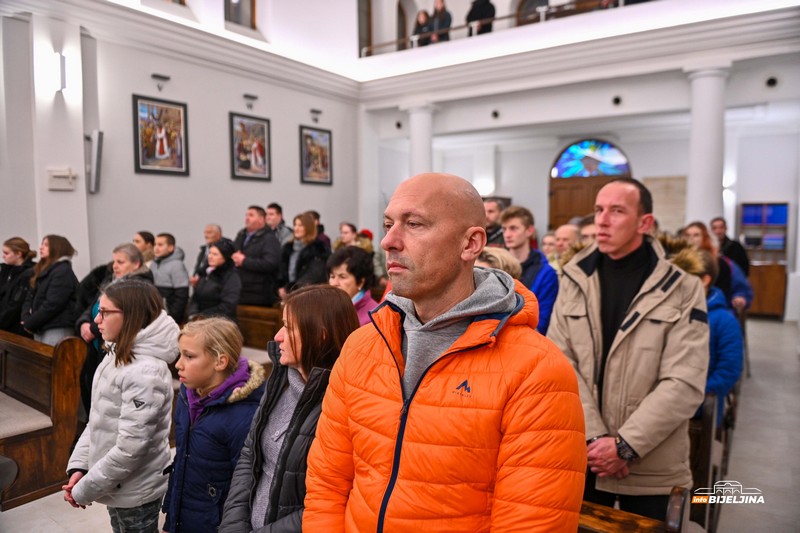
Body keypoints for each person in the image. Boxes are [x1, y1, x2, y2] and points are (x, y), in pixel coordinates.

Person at [303, 173, 586, 531]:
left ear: (470, 243)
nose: (389, 241)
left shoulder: (536, 371)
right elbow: (327, 485)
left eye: (414, 224)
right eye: (388, 224)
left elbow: (532, 523)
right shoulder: (362, 346)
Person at [548, 178, 709, 521]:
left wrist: (624, 446)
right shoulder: (574, 278)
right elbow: (560, 363)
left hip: (652, 466)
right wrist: (596, 440)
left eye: (617, 211)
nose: (602, 221)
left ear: (644, 223)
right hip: (583, 457)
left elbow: (684, 381)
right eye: (599, 210)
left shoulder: (683, 288)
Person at [219, 285, 360, 533]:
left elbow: (335, 501)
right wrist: (233, 525)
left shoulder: (346, 404)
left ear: (320, 335)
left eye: (289, 328)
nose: (277, 336)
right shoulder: (282, 381)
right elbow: (250, 457)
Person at [64, 279, 179, 532]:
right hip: (113, 481)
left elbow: (130, 449)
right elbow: (98, 419)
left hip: (136, 488)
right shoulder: (116, 353)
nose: (96, 320)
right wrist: (81, 466)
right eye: (97, 311)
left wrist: (85, 488)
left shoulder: (145, 373)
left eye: (104, 312)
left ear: (131, 316)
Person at [162, 317, 266, 533]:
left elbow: (247, 487)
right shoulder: (187, 396)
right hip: (183, 516)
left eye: (189, 356)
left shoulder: (244, 415)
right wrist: (170, 518)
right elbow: (181, 461)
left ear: (220, 362)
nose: (178, 364)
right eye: (180, 354)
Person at [75, 243, 154, 431]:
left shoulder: (139, 286)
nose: (115, 266)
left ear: (135, 264)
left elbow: (127, 316)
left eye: (121, 262)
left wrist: (93, 328)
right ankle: (92, 426)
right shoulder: (111, 281)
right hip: (97, 343)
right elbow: (92, 306)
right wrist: (84, 322)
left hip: (117, 346)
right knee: (92, 385)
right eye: (114, 261)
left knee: (112, 395)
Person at [694, 249, 743, 426]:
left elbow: (729, 369)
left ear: (704, 280)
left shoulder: (724, 320)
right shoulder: (674, 311)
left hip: (701, 406)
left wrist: (695, 394)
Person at [500, 205, 558, 333]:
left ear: (529, 231)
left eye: (513, 228)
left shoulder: (546, 272)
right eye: (504, 229)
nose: (507, 234)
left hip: (526, 338)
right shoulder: (496, 265)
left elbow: (542, 321)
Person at [21, 235, 79, 345]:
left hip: (57, 327)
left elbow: (53, 304)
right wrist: (25, 318)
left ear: (57, 248)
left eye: (46, 245)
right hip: (41, 326)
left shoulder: (62, 271)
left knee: (55, 361)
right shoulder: (44, 270)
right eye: (42, 244)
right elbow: (29, 297)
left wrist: (30, 323)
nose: (41, 247)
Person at [232, 206, 282, 307]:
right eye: (246, 215)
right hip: (240, 290)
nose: (247, 218)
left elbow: (270, 263)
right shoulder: (241, 235)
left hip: (258, 294)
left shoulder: (269, 239)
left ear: (261, 219)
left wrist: (244, 261)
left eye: (251, 215)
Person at [278, 212, 329, 299]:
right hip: (288, 295)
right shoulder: (288, 248)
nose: (296, 228)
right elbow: (281, 273)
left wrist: (290, 289)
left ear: (309, 228)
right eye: (295, 225)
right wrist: (281, 288)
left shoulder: (317, 249)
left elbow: (313, 275)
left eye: (300, 225)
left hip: (309, 296)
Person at [188, 239, 242, 321]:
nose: (210, 256)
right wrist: (193, 313)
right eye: (210, 253)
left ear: (225, 257)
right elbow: (195, 297)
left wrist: (202, 316)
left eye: (215, 254)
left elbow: (227, 305)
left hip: (220, 322)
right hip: (200, 320)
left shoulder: (232, 277)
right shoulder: (206, 272)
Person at [327, 246, 378, 326]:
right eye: (332, 276)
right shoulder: (327, 307)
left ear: (360, 282)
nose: (334, 283)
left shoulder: (372, 317)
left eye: (342, 277)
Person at [0, 237, 36, 337]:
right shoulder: (7, 271)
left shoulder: (29, 273)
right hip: (6, 327)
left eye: (6, 253)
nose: (3, 256)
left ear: (18, 254)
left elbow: (16, 304)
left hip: (18, 328)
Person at [151, 233, 190, 324]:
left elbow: (182, 295)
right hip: (157, 313)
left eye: (160, 245)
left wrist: (173, 316)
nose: (156, 248)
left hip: (170, 315)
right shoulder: (154, 263)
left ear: (171, 247)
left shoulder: (177, 265)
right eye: (155, 244)